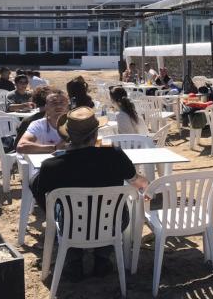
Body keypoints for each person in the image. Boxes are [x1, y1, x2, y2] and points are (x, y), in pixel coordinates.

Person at [31, 107, 148, 278]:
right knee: (116, 211)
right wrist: (146, 185)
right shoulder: (114, 155)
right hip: (111, 222)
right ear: (95, 135)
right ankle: (102, 258)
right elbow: (136, 181)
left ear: (67, 136)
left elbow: (40, 194)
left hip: (71, 225)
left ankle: (74, 260)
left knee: (62, 210)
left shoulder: (51, 165)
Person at [16, 91, 70, 155]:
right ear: (46, 107)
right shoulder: (38, 125)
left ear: (68, 107)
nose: (58, 106)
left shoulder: (75, 124)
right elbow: (21, 147)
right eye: (54, 103)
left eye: (62, 103)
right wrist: (55, 148)